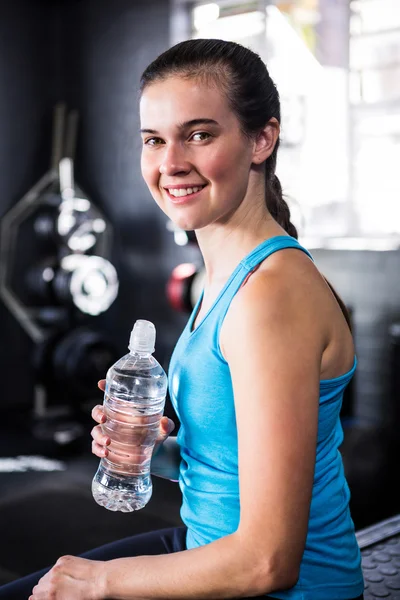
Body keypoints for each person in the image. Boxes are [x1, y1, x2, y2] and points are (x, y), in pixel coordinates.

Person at [0, 38, 364, 599]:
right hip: (209, 547)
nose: (170, 164)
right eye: (154, 140)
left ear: (261, 139)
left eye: (199, 134)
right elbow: (228, 467)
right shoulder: (227, 275)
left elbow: (269, 562)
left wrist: (103, 582)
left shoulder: (270, 296)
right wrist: (153, 447)